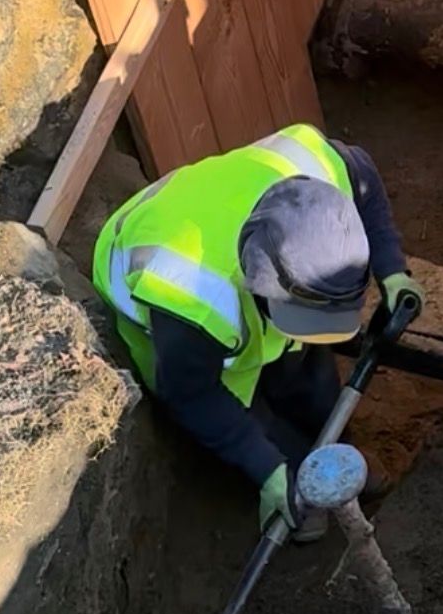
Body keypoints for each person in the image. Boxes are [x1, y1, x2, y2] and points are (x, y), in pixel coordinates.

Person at [93, 123, 424, 539]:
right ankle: (295, 472)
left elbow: (366, 183)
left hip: (224, 220)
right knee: (265, 438)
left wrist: (392, 271)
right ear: (259, 284)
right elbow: (192, 393)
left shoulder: (320, 176)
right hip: (150, 280)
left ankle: (334, 453)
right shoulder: (190, 295)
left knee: (315, 382)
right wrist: (267, 471)